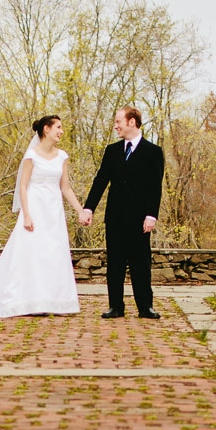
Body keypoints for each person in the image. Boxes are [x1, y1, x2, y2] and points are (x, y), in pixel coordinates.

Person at [0, 115, 85, 318]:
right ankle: (27, 300)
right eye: (58, 127)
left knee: (53, 253)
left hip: (53, 211)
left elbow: (65, 187)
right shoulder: (31, 156)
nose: (61, 131)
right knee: (31, 254)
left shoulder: (62, 156)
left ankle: (55, 300)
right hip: (35, 208)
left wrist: (80, 210)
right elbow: (22, 186)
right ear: (46, 129)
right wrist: (27, 215)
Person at [80, 107, 165, 319]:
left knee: (140, 264)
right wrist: (89, 207)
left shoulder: (153, 152)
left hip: (140, 219)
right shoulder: (112, 151)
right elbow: (100, 181)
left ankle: (145, 307)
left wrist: (151, 215)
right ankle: (115, 306)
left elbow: (155, 187)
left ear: (132, 122)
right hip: (115, 217)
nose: (115, 126)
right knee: (115, 263)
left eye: (119, 121)